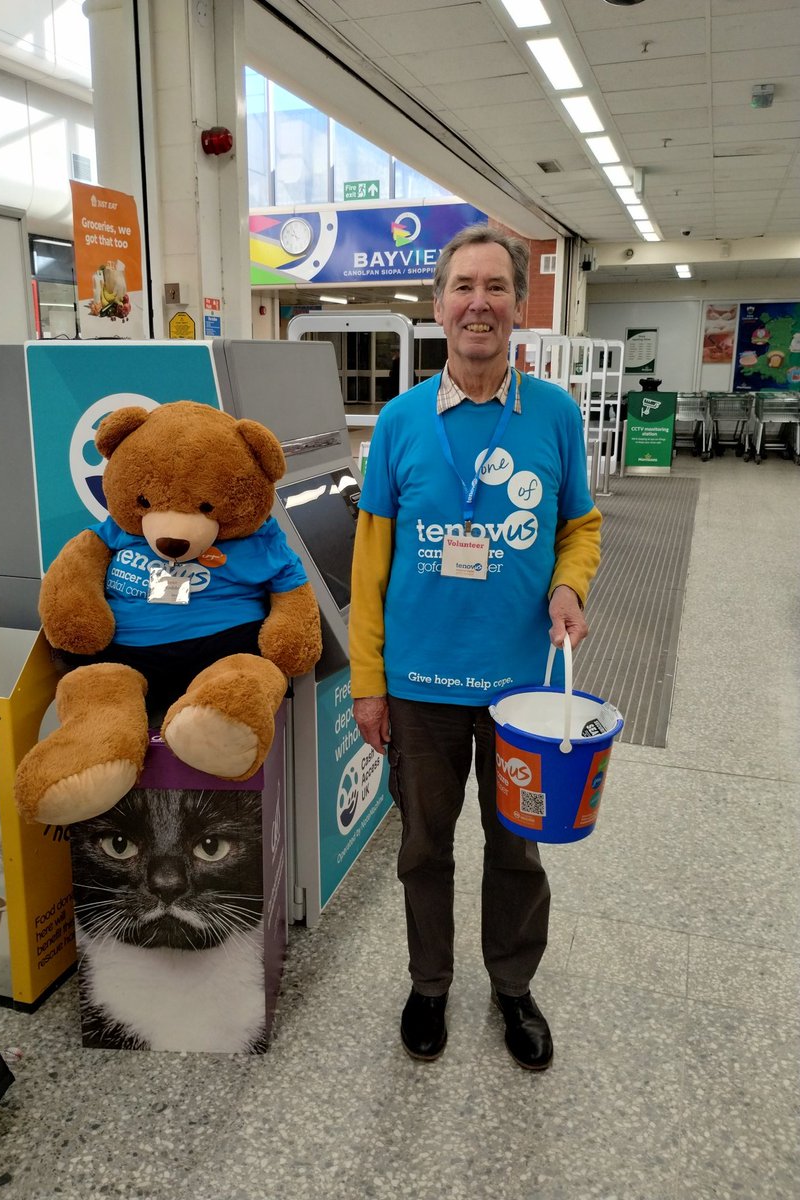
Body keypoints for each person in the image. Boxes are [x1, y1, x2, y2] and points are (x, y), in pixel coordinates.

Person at [349, 225, 601, 1070]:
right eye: (463, 286)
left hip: (520, 692)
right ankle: (429, 984)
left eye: (496, 286)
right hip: (419, 686)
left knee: (515, 847)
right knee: (423, 844)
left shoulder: (554, 415)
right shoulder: (400, 421)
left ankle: (512, 986)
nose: (479, 302)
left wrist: (569, 584)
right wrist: (367, 682)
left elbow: (581, 526)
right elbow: (370, 563)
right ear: (437, 306)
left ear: (518, 306)